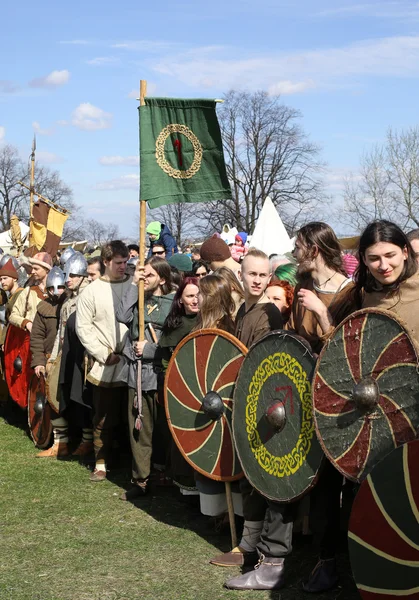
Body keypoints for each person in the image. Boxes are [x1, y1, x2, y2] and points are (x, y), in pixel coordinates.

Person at [214, 249, 283, 574]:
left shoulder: (269, 313)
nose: (256, 280)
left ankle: (253, 547)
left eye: (262, 275)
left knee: (257, 479)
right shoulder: (243, 309)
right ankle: (247, 543)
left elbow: (262, 363)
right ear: (241, 274)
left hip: (261, 404)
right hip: (241, 401)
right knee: (246, 479)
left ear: (269, 278)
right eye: (251, 274)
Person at [116, 256, 176, 499]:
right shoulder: (140, 295)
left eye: (149, 275)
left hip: (162, 371)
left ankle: (165, 475)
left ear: (162, 278)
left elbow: (176, 338)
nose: (145, 278)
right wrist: (134, 283)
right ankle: (140, 480)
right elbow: (122, 316)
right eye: (143, 274)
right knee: (139, 428)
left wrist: (151, 349)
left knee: (165, 428)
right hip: (138, 372)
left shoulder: (175, 301)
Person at [76, 241, 132, 482]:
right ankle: (101, 462)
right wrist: (102, 353)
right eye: (118, 262)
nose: (123, 266)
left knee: (132, 416)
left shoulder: (134, 286)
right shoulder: (91, 291)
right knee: (103, 416)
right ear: (106, 262)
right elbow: (83, 328)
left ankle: (132, 464)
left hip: (131, 360)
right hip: (105, 362)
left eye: (125, 262)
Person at [48, 252, 93, 458]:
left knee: (84, 399)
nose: (68, 279)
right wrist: (53, 357)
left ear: (83, 276)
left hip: (83, 356)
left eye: (73, 275)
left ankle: (87, 442)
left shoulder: (88, 297)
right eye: (67, 275)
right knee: (63, 396)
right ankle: (64, 443)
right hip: (67, 355)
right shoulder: (68, 301)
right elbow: (61, 331)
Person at [158, 277, 200, 494]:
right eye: (190, 296)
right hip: (180, 389)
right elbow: (166, 361)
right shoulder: (174, 325)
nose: (195, 300)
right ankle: (185, 486)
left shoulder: (207, 321)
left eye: (198, 295)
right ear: (180, 300)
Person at [30, 267, 67, 458]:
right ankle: (59, 442)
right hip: (49, 360)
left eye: (61, 286)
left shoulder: (73, 303)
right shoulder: (43, 308)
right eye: (54, 288)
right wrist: (38, 362)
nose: (57, 291)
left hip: (69, 359)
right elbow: (36, 337)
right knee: (52, 400)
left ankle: (79, 442)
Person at [9, 252, 52, 332]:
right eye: (32, 268)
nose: (32, 271)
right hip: (32, 339)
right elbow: (13, 316)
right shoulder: (28, 291)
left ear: (46, 269)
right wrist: (27, 323)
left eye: (36, 269)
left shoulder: (57, 291)